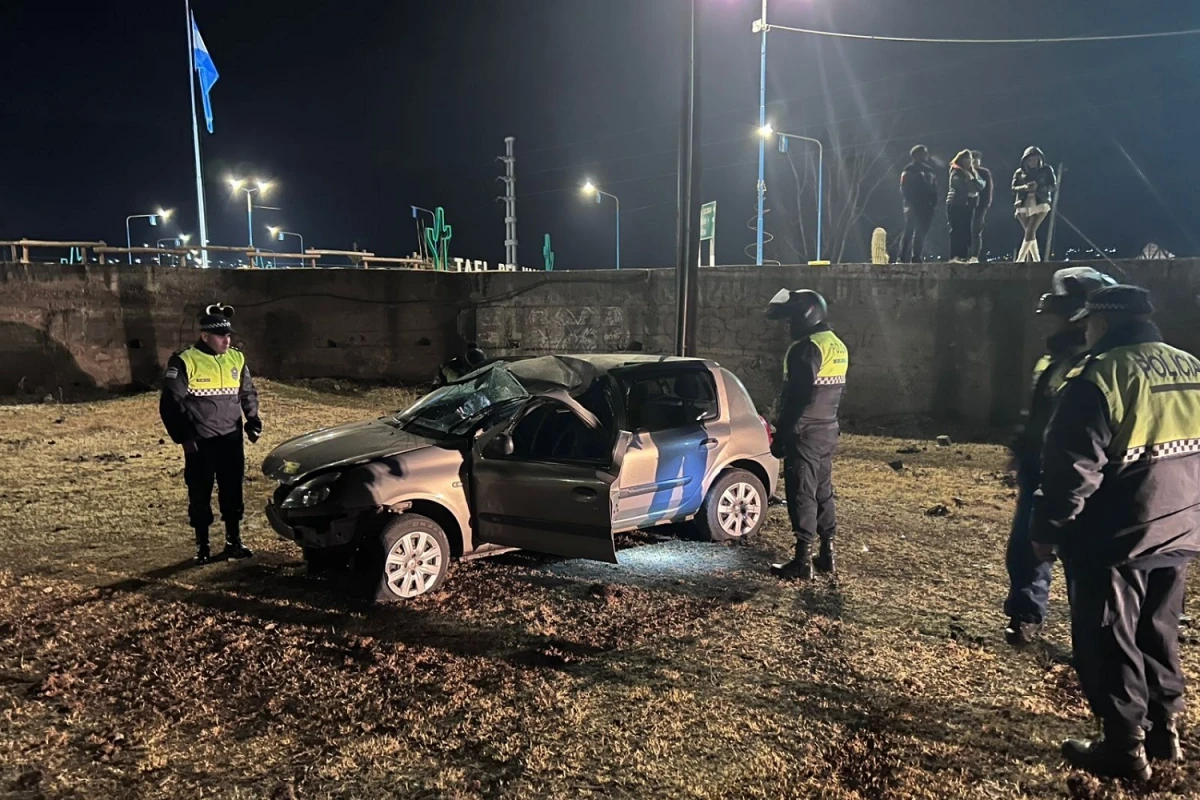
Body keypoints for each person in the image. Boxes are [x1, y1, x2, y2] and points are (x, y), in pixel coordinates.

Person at [1031, 285, 1200, 781]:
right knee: (1159, 628)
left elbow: (1071, 467)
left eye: (1087, 324)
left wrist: (1048, 527)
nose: (1083, 331)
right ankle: (1164, 731)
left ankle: (1124, 747)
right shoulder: (1190, 365)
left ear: (1102, 323)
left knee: (1109, 636)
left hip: (1117, 532)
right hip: (1180, 522)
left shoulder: (1099, 376)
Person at [1004, 267, 1115, 645]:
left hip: (1085, 472)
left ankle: (1096, 634)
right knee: (1026, 546)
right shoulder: (1053, 360)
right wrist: (1022, 450)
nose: (1045, 324)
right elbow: (1038, 410)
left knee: (1083, 555)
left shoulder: (1099, 366)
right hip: (1041, 466)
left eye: (1054, 314)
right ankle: (1025, 615)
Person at [160, 304, 262, 564]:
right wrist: (185, 438)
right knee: (200, 491)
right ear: (204, 336)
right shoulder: (184, 360)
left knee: (233, 490)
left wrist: (252, 419)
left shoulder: (236, 358)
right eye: (220, 336)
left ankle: (233, 541)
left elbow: (246, 392)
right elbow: (171, 402)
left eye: (229, 336)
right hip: (201, 442)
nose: (226, 340)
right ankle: (202, 546)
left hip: (230, 438)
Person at [765, 289, 848, 580]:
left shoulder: (806, 349)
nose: (788, 327)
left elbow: (798, 399)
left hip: (805, 433)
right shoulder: (836, 344)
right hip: (827, 430)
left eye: (790, 320)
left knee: (802, 493)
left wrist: (782, 436)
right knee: (823, 490)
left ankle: (802, 561)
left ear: (806, 315)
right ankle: (827, 554)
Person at [1012, 146, 1057, 262]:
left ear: (1039, 160)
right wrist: (1025, 187)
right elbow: (1013, 187)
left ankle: (1020, 260)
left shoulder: (1046, 170)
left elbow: (1053, 186)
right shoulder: (1019, 172)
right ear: (1025, 160)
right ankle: (1037, 261)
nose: (1032, 162)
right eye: (1030, 160)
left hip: (1041, 202)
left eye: (1035, 160)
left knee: (1030, 230)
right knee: (1030, 233)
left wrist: (1039, 187)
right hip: (1023, 204)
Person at [897, 145, 939, 263]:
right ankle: (902, 257)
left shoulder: (929, 170)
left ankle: (916, 256)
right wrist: (910, 203)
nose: (926, 155)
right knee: (909, 231)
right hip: (912, 205)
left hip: (926, 206)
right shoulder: (909, 169)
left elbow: (934, 188)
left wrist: (933, 203)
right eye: (924, 153)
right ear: (916, 155)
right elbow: (904, 187)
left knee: (921, 232)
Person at [946, 150, 984, 263]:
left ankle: (964, 255)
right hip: (955, 204)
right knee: (956, 230)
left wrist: (971, 180)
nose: (969, 161)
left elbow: (981, 185)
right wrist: (971, 184)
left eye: (970, 159)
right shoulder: (956, 171)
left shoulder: (972, 173)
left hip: (968, 205)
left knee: (966, 230)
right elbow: (959, 186)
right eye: (966, 159)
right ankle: (954, 256)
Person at [969, 150, 993, 263]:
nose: (974, 161)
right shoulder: (964, 172)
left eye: (976, 159)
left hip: (980, 205)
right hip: (966, 205)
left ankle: (974, 256)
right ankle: (964, 254)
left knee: (976, 230)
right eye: (972, 159)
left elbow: (988, 190)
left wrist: (985, 204)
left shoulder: (984, 173)